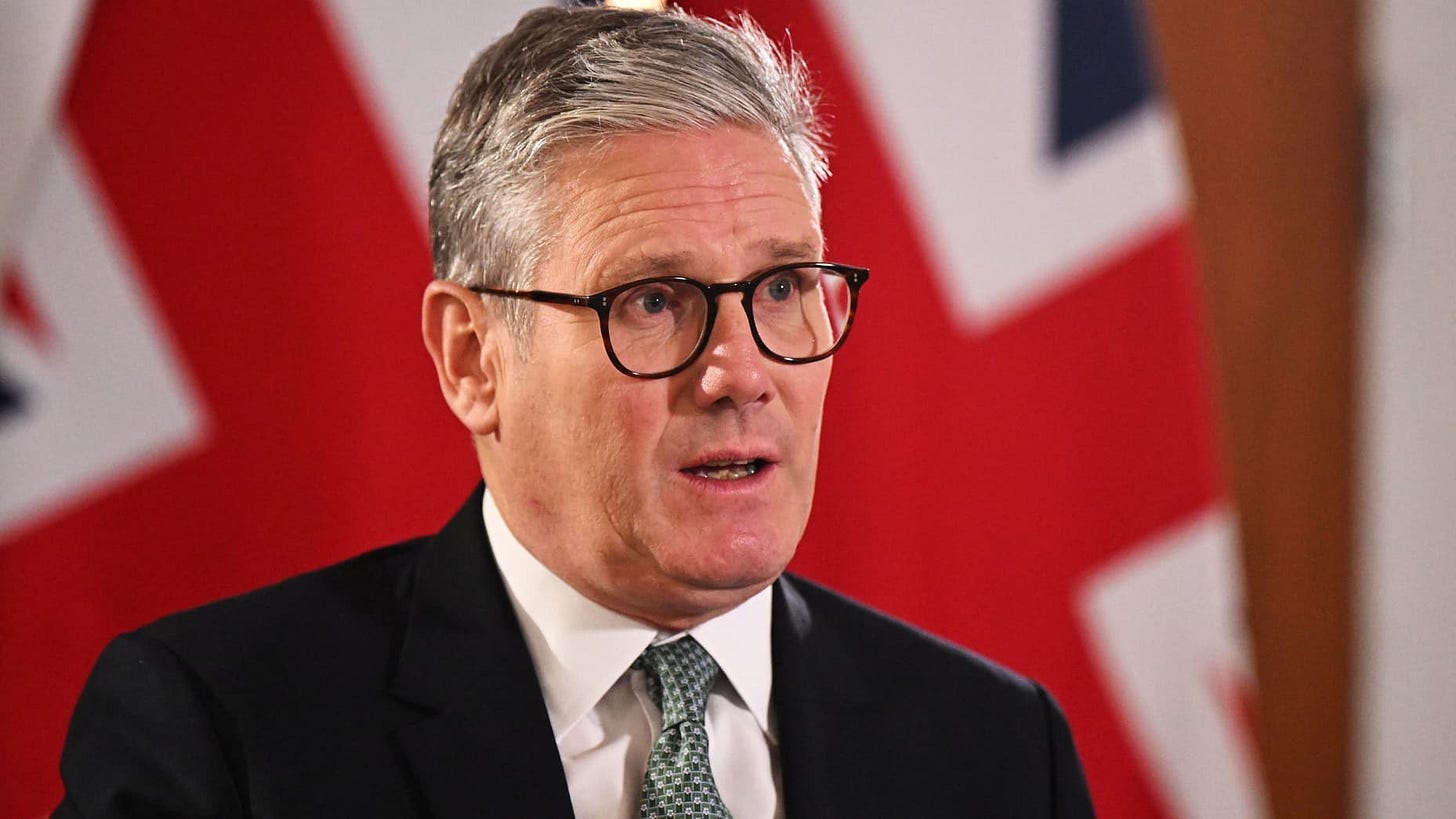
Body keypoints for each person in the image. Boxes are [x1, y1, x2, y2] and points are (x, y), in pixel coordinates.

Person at [55, 7, 1094, 818]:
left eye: (780, 289)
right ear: (472, 358)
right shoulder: (225, 730)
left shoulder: (993, 745)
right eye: (651, 302)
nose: (739, 372)